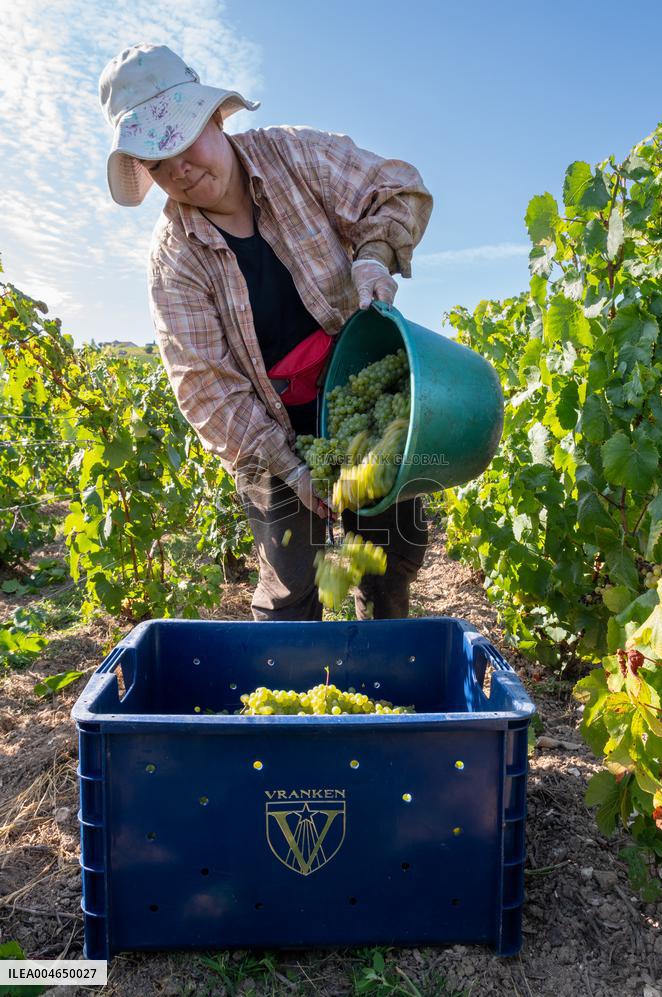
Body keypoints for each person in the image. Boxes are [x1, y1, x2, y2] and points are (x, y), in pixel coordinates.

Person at [99, 43, 433, 622]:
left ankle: (381, 680)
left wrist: (374, 256)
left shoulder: (291, 156)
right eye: (156, 161)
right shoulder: (174, 260)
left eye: (183, 140)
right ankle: (292, 703)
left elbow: (393, 188)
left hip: (363, 402)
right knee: (291, 587)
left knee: (390, 555)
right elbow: (208, 389)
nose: (176, 167)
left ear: (215, 117)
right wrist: (296, 470)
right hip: (266, 432)